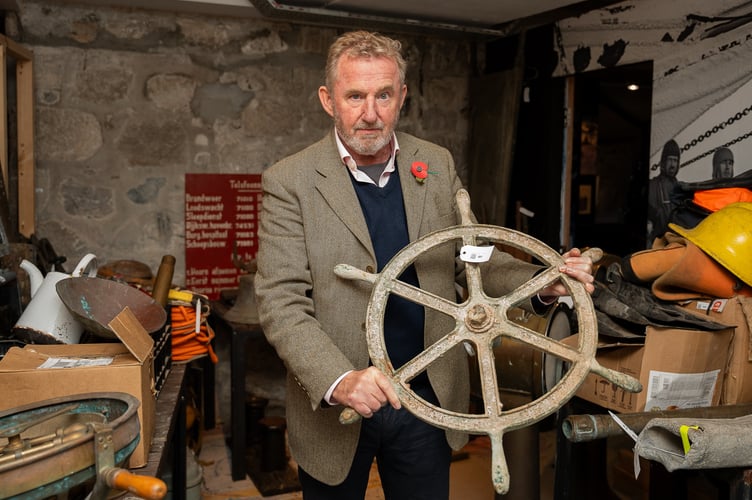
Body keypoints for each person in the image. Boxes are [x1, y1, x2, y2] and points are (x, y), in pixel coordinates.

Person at [254, 30, 595, 500]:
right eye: (355, 96)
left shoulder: (434, 164)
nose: (370, 113)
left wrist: (543, 281)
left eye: (383, 95)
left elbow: (471, 259)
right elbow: (280, 302)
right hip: (340, 403)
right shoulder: (290, 180)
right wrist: (339, 380)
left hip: (428, 397)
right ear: (328, 99)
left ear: (402, 97)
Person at [647, 139, 682, 243]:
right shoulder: (653, 185)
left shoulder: (679, 188)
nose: (672, 165)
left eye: (675, 161)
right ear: (663, 161)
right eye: (670, 160)